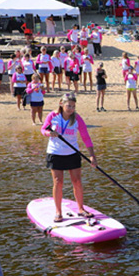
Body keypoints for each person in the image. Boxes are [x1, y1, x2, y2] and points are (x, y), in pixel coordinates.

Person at [40, 93, 96, 223]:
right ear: (61, 103)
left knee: (77, 181)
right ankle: (58, 212)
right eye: (68, 106)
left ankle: (81, 209)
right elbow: (43, 129)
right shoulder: (53, 116)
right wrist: (49, 133)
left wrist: (92, 156)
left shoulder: (77, 119)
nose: (71, 109)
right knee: (58, 182)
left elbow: (86, 137)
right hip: (55, 153)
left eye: (73, 106)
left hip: (72, 153)